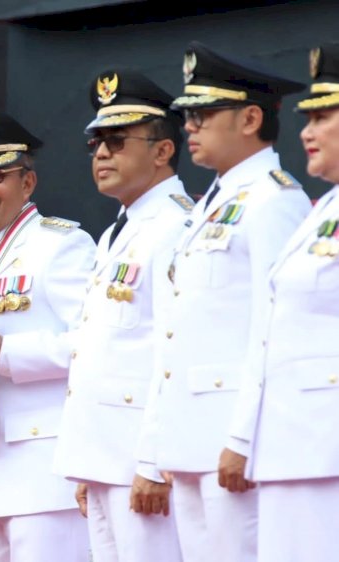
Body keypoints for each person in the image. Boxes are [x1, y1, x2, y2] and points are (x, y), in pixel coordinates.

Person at [132, 42, 311, 562]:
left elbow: (274, 327)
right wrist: (158, 443)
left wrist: (243, 436)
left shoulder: (274, 200)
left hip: (232, 437)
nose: (189, 126)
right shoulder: (210, 206)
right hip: (188, 438)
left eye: (205, 114)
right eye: (188, 115)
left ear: (251, 118)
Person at [0, 106, 96, 561]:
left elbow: (91, 345)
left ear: (26, 183)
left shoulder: (61, 245)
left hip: (40, 469)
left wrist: (8, 352)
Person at [53, 69, 187, 562]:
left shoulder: (176, 225)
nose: (102, 154)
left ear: (162, 150)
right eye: (95, 143)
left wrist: (152, 461)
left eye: (116, 141)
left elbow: (173, 352)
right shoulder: (117, 232)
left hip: (141, 459)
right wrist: (89, 464)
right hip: (107, 459)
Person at [225, 41, 339, 562]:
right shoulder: (322, 208)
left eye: (323, 116)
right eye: (307, 118)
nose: (305, 132)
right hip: (291, 445)